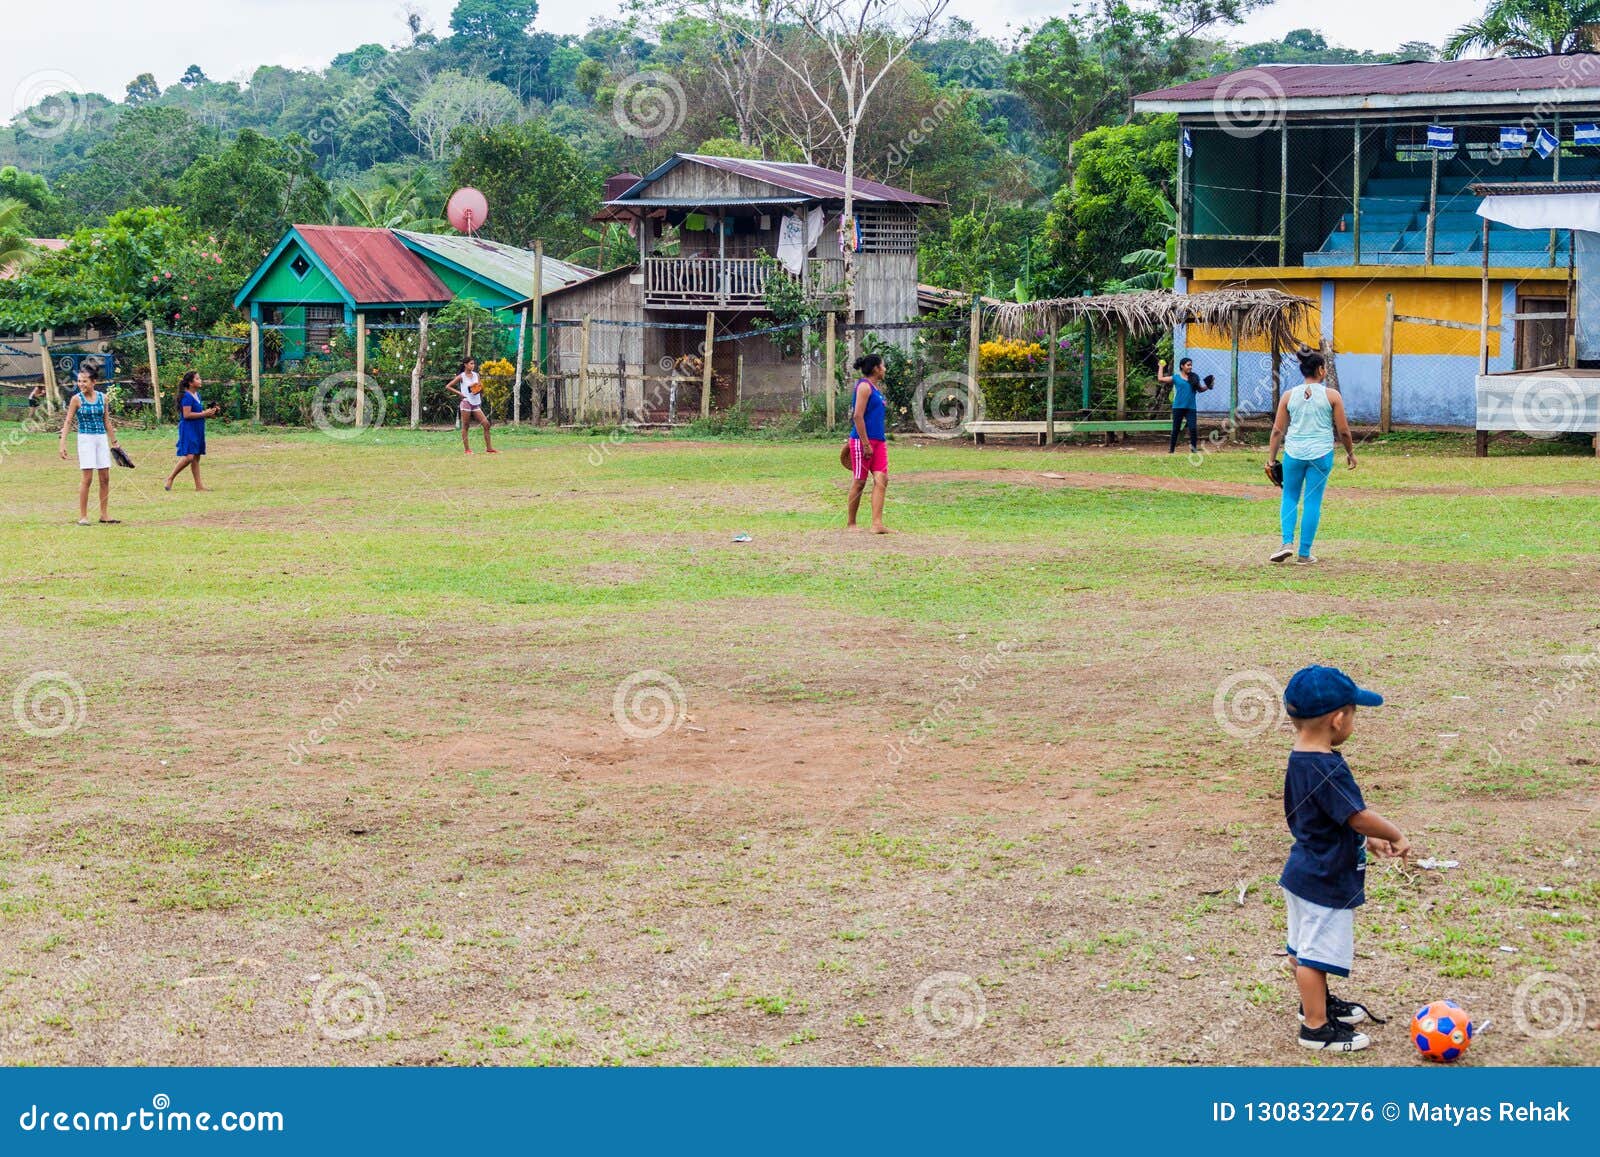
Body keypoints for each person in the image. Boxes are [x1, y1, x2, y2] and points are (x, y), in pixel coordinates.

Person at [1277, 664, 1409, 1053]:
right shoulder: (1328, 767)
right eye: (1354, 713)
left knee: (1303, 950)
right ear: (1338, 719)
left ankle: (1314, 1005)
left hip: (1303, 869)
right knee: (1313, 958)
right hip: (1325, 879)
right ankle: (1316, 1028)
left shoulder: (1300, 759)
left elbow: (1328, 816)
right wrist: (1390, 832)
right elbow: (1356, 814)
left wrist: (1363, 839)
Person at [1266, 349, 1356, 564]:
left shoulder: (1288, 395)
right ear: (1321, 370)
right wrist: (1350, 453)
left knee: (1289, 496)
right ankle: (1304, 554)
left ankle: (1286, 543)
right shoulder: (1332, 396)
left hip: (1293, 453)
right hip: (1321, 454)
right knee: (1312, 501)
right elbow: (1343, 430)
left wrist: (1271, 459)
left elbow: (1277, 430)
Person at [57, 364, 123, 525]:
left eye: (84, 381)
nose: (81, 384)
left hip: (100, 438)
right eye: (79, 381)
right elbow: (67, 422)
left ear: (94, 381)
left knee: (105, 478)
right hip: (85, 439)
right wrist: (62, 443)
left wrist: (114, 442)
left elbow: (107, 421)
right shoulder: (76, 399)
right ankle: (83, 516)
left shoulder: (103, 398)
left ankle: (104, 515)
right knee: (87, 478)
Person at [846, 353, 889, 533]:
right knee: (860, 482)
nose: (885, 369)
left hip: (879, 441)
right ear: (876, 368)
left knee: (882, 480)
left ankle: (877, 524)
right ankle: (851, 523)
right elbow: (857, 416)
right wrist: (865, 443)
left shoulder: (876, 388)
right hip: (862, 441)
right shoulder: (864, 386)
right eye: (883, 365)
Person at [165, 370, 221, 492]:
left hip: (198, 427)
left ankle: (199, 486)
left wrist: (211, 412)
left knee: (196, 456)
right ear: (190, 383)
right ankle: (170, 478)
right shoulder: (186, 397)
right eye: (197, 379)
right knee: (189, 457)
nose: (200, 380)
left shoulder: (198, 395)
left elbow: (200, 414)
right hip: (188, 428)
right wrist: (203, 413)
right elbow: (187, 415)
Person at [1155, 357, 1210, 454]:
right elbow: (1160, 379)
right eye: (1188, 365)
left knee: (1193, 428)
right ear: (1182, 366)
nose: (1190, 367)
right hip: (1178, 407)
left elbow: (1200, 389)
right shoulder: (1176, 377)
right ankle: (1171, 450)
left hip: (1191, 407)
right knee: (1176, 429)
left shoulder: (1194, 378)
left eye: (1191, 365)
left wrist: (1209, 386)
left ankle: (1193, 449)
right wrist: (1161, 367)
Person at [446, 357, 497, 454]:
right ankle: (467, 450)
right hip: (466, 402)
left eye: (473, 364)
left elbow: (479, 387)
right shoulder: (461, 376)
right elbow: (448, 386)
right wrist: (460, 393)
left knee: (486, 424)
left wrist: (480, 389)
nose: (473, 365)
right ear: (465, 364)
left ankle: (489, 448)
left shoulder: (476, 375)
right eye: (471, 363)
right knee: (466, 426)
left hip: (475, 403)